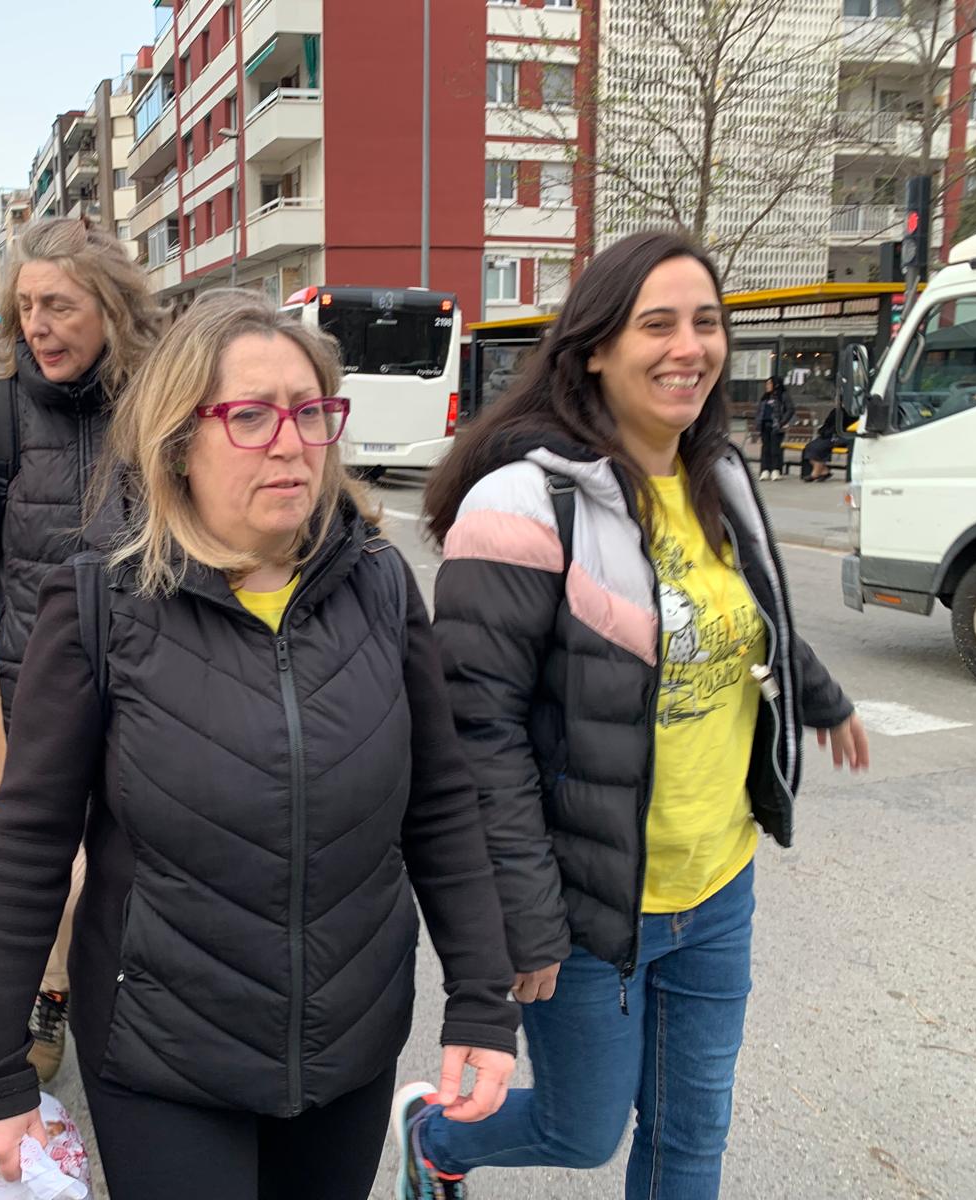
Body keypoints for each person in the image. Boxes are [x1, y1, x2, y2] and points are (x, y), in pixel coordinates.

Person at [0, 290, 518, 1198]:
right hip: (164, 1056)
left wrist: (482, 1002)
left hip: (350, 1044)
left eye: (310, 412)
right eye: (250, 416)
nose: (291, 442)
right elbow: (27, 846)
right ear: (179, 439)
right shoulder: (99, 603)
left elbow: (440, 803)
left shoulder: (380, 584)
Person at [396, 231, 871, 1200]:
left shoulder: (721, 479)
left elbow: (748, 618)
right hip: (583, 912)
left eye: (705, 323)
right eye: (656, 323)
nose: (687, 347)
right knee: (580, 1130)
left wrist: (818, 697)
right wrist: (524, 922)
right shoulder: (521, 505)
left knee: (693, 1137)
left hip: (717, 886)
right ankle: (437, 1139)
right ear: (595, 350)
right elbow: (476, 737)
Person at [0, 217, 165, 1081]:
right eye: (25, 305)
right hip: (27, 681)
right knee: (37, 861)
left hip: (151, 672)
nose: (37, 324)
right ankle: (49, 992)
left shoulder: (165, 393)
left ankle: (127, 991)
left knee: (140, 850)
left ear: (110, 307)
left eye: (59, 305)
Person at [755, 375, 791, 481]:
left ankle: (776, 469)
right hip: (764, 425)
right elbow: (759, 410)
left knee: (775, 448)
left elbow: (790, 409)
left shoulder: (783, 396)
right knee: (765, 448)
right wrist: (758, 421)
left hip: (776, 425)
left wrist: (782, 422)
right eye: (767, 384)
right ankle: (765, 470)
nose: (767, 386)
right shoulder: (765, 397)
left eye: (770, 384)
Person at [802, 404, 843, 481]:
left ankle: (815, 473)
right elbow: (827, 423)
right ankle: (824, 471)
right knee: (809, 446)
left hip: (839, 436)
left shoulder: (850, 413)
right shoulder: (836, 411)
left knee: (818, 448)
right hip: (827, 435)